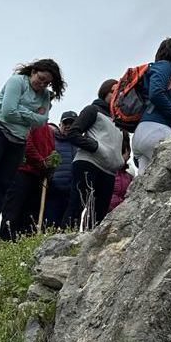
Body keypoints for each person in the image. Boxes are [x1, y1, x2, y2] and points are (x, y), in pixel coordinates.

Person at [0, 58, 62, 234]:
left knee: (2, 183)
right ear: (33, 72)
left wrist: (20, 111)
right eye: (40, 78)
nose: (42, 84)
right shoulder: (17, 81)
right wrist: (31, 114)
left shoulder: (44, 95)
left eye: (47, 82)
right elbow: (7, 112)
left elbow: (41, 121)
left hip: (18, 141)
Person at [62, 78, 127, 229]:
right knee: (77, 205)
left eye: (121, 93)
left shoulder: (120, 120)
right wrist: (96, 146)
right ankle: (63, 241)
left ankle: (88, 246)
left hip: (108, 170)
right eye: (114, 91)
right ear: (105, 92)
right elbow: (73, 133)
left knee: (100, 213)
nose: (117, 95)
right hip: (88, 163)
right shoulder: (92, 110)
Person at [131, 37, 171, 170]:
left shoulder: (162, 69)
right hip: (157, 130)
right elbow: (155, 93)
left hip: (142, 134)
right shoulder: (165, 66)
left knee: (145, 187)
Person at [0, 118, 56, 239]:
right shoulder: (31, 120)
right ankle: (6, 240)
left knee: (30, 214)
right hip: (22, 171)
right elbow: (27, 144)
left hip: (38, 176)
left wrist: (50, 166)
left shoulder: (48, 131)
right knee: (13, 209)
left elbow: (50, 152)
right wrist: (42, 163)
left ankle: (24, 243)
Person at [40, 110, 78, 229]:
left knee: (69, 228)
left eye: (72, 123)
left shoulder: (80, 144)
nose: (68, 126)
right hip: (53, 190)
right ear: (60, 124)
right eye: (65, 123)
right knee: (50, 226)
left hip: (72, 193)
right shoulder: (52, 141)